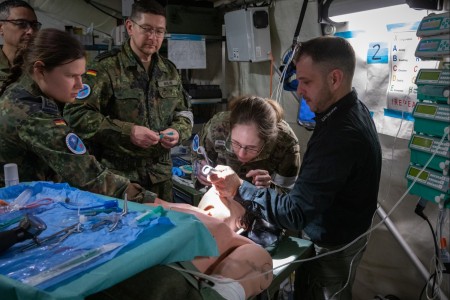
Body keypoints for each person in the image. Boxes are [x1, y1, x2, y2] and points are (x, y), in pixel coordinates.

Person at [207, 36, 382, 299]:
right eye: (298, 80)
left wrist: (240, 188)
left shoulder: (339, 136)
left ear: (335, 78)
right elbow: (311, 191)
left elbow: (295, 212)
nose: (299, 90)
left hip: (333, 245)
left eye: (306, 81)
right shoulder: (348, 111)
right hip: (340, 231)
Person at [0, 28, 153, 203]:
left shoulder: (26, 91)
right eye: (71, 76)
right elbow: (87, 175)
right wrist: (155, 202)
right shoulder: (31, 113)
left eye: (81, 76)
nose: (80, 86)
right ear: (40, 70)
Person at [63, 0, 193, 202]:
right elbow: (76, 114)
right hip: (121, 179)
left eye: (159, 31)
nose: (153, 37)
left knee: (167, 227)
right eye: (147, 29)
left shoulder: (169, 70)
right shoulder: (105, 68)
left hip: (161, 177)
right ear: (130, 27)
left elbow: (183, 112)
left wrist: (178, 132)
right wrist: (128, 131)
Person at [87, 196, 273, 300]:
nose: (216, 189)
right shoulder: (179, 207)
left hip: (152, 279)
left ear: (242, 224)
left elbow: (223, 294)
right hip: (94, 254)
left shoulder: (243, 245)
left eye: (227, 198)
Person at [192, 95, 300, 194]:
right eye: (236, 143)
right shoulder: (217, 127)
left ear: (267, 140)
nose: (242, 154)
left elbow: (289, 194)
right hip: (219, 195)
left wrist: (270, 188)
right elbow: (198, 155)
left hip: (260, 203)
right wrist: (200, 172)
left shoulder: (286, 143)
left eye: (252, 148)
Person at [0, 0, 40, 86]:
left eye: (34, 25)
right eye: (21, 24)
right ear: (1, 28)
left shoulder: (42, 67)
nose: (31, 31)